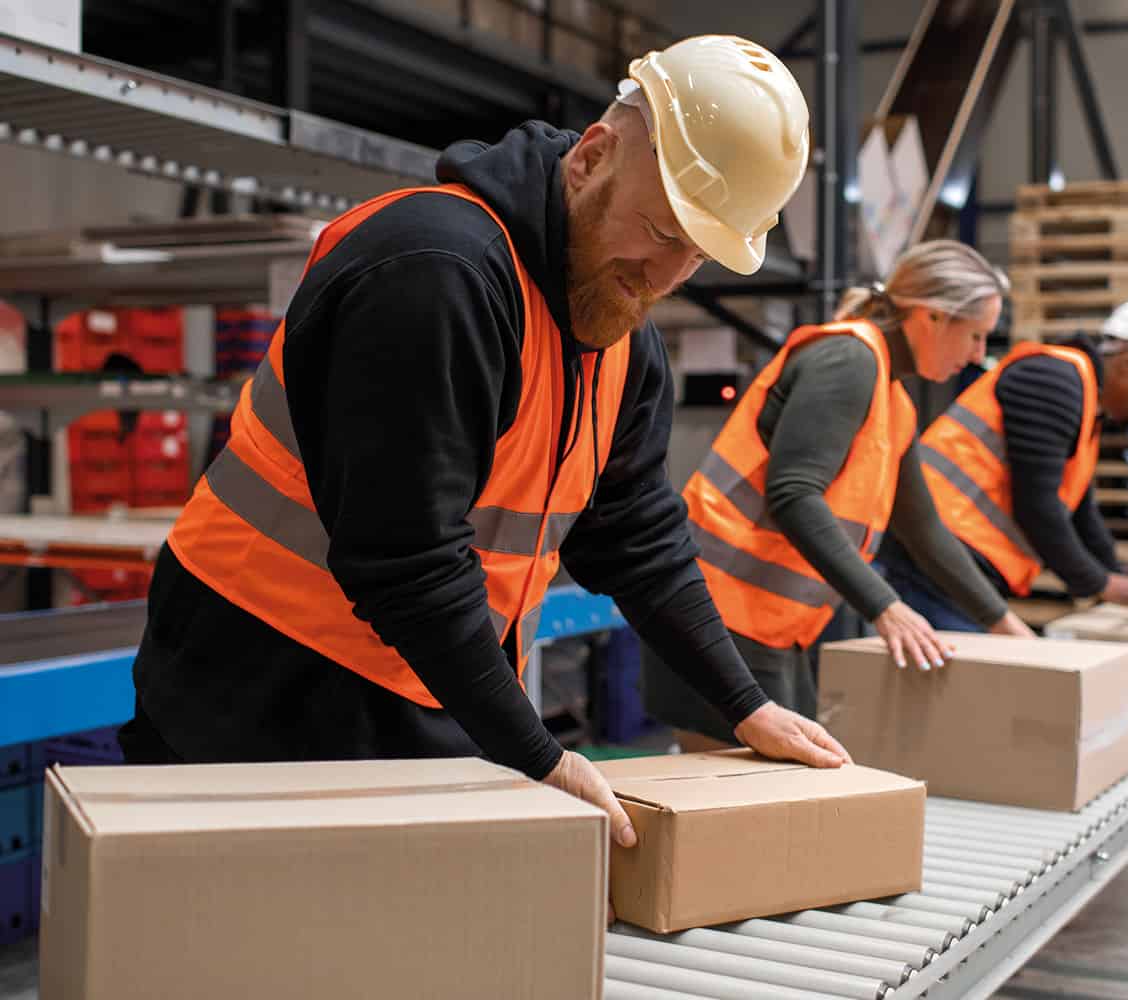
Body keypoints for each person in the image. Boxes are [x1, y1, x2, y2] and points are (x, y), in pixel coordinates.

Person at [119, 35, 851, 853]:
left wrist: (743, 705)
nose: (664, 273)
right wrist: (536, 754)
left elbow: (639, 540)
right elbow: (406, 560)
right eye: (659, 229)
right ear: (592, 158)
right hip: (253, 695)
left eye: (697, 254)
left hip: (420, 691)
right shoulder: (434, 272)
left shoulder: (619, 336)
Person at [642, 241, 1035, 750]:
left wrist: (1004, 624)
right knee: (735, 805)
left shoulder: (893, 401)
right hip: (715, 617)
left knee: (781, 795)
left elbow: (924, 531)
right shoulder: (847, 362)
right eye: (976, 335)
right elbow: (794, 493)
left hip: (764, 626)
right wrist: (886, 607)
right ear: (933, 318)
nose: (979, 354)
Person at [882, 296, 1128, 626]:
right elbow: (1037, 507)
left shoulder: (1085, 401)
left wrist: (1114, 576)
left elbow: (1079, 511)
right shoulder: (1053, 382)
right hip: (932, 557)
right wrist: (1101, 583)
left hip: (953, 560)